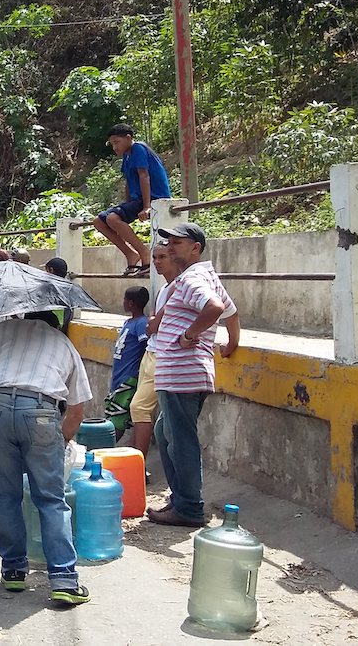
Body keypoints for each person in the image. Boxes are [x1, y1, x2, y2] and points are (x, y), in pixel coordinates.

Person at [0, 311, 93, 605]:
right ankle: (64, 580)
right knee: (50, 499)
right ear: (55, 324)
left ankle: (13, 571)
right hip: (41, 412)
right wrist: (58, 442)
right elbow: (76, 411)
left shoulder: (0, 332)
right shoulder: (63, 343)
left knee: (4, 495)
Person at [148, 223, 240, 527]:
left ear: (195, 248)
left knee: (181, 440)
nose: (171, 247)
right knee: (165, 434)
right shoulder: (206, 275)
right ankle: (181, 499)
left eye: (177, 242)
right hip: (187, 372)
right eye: (169, 242)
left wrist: (189, 335)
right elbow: (230, 312)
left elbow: (214, 308)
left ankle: (188, 507)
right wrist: (233, 342)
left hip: (181, 372)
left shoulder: (191, 279)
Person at [96, 123, 171, 276]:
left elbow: (144, 175)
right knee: (98, 222)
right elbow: (129, 182)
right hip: (138, 199)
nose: (114, 147)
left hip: (154, 196)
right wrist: (127, 202)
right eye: (112, 144)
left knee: (112, 218)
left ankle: (144, 253)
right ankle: (131, 254)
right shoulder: (127, 155)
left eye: (117, 142)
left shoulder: (138, 149)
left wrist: (147, 206)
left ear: (128, 138)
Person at [129, 245, 178, 464]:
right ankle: (135, 461)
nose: (157, 262)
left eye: (162, 257)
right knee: (142, 410)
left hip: (163, 355)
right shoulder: (164, 289)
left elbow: (154, 324)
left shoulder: (180, 286)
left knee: (140, 408)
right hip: (151, 352)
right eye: (155, 258)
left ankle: (138, 465)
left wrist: (154, 322)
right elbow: (152, 322)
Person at [106, 287, 150, 442]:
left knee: (118, 420)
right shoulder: (128, 322)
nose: (123, 302)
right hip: (119, 377)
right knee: (114, 416)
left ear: (131, 303)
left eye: (125, 299)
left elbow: (146, 346)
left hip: (129, 378)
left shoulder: (141, 323)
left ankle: (107, 448)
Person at [43, 257, 73, 334]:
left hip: (51, 327)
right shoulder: (69, 287)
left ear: (51, 270)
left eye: (46, 270)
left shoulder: (47, 287)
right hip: (63, 329)